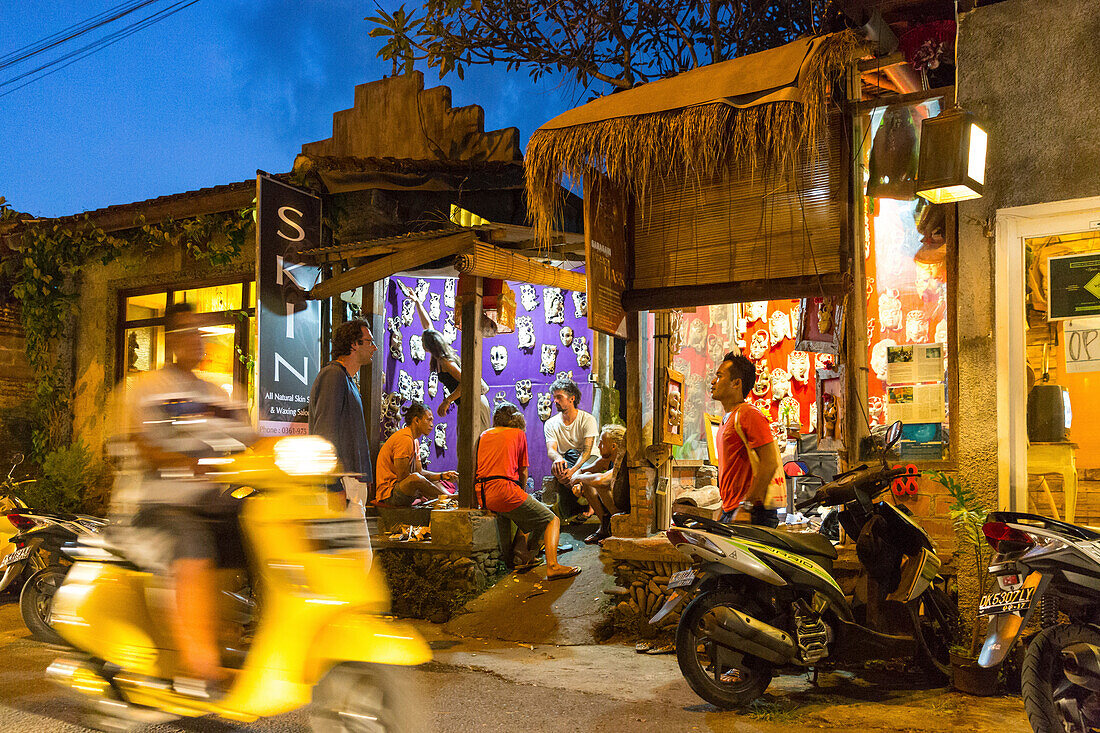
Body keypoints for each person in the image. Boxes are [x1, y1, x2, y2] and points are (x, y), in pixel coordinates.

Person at [111, 302, 254, 694]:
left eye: (202, 332)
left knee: (264, 528)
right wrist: (186, 462)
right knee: (192, 542)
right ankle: (198, 668)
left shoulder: (219, 394)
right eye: (190, 332)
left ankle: (241, 634)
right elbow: (141, 445)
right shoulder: (144, 389)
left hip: (210, 502)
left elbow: (252, 440)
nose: (198, 340)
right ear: (172, 339)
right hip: (155, 506)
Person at [476, 402, 580, 580]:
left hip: (484, 494)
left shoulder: (484, 434)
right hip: (505, 492)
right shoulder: (518, 434)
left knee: (528, 514)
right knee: (551, 519)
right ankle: (553, 566)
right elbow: (523, 471)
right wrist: (522, 492)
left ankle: (521, 554)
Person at [398, 280, 491, 433]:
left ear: (429, 345)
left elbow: (467, 382)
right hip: (469, 402)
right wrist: (417, 302)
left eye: (423, 341)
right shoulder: (439, 357)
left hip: (475, 402)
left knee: (475, 445)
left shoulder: (445, 362)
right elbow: (428, 326)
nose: (421, 342)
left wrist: (447, 400)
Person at [309, 318, 377, 509]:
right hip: (343, 483)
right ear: (354, 344)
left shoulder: (346, 379)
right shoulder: (334, 375)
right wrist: (332, 485)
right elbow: (325, 432)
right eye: (369, 341)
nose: (374, 348)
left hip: (350, 481)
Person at [710, 351, 781, 527]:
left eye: (719, 376)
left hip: (752, 514)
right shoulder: (726, 419)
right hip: (733, 510)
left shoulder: (749, 414)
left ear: (736, 383)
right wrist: (724, 508)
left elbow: (770, 462)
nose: (713, 382)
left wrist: (746, 506)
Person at [375, 401, 458, 506]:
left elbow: (420, 472)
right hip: (390, 495)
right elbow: (404, 478)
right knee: (416, 479)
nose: (432, 425)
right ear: (417, 420)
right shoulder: (404, 438)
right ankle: (449, 497)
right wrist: (424, 490)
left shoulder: (415, 441)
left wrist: (441, 475)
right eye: (428, 420)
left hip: (404, 489)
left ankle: (448, 497)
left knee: (433, 480)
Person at [543, 376, 599, 521]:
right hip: (568, 462)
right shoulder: (550, 424)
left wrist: (574, 472)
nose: (555, 401)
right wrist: (558, 458)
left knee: (574, 456)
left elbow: (587, 452)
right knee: (560, 464)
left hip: (589, 461)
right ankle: (577, 496)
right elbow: (551, 450)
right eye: (554, 397)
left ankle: (587, 501)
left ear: (571, 398)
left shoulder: (587, 419)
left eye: (559, 397)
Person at [570, 424, 627, 545]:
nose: (598, 446)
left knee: (598, 482)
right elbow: (582, 471)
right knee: (588, 479)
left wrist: (579, 478)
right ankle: (605, 527)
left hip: (626, 509)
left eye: (601, 443)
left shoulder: (622, 462)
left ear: (613, 446)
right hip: (614, 504)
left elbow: (601, 480)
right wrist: (579, 482)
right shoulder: (606, 460)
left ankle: (619, 531)